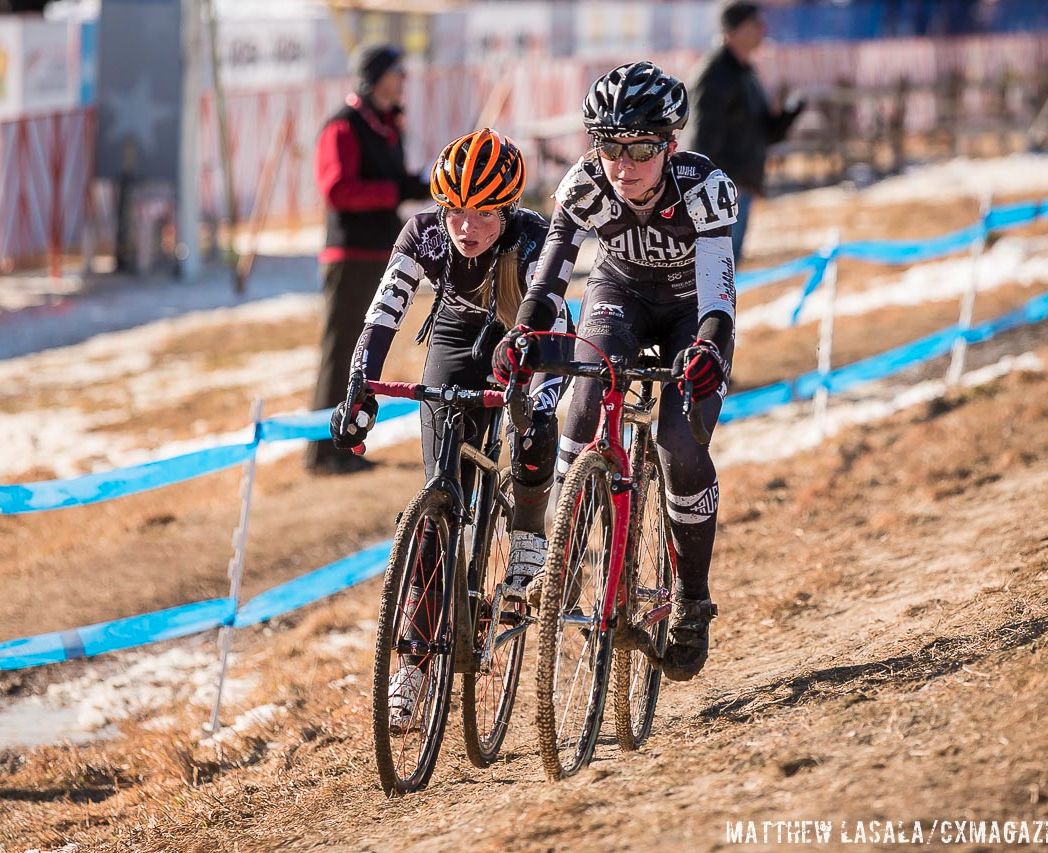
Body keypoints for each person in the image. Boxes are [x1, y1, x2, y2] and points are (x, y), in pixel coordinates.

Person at [492, 61, 738, 683]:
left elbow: (717, 296)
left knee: (679, 441)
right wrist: (525, 331)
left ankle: (691, 597)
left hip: (690, 315)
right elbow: (549, 279)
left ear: (670, 146)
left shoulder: (704, 188)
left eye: (640, 149)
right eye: (608, 146)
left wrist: (708, 347)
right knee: (581, 401)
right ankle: (565, 555)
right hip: (620, 297)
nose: (623, 165)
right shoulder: (584, 187)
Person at [329, 129, 569, 730]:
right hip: (458, 335)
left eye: (484, 214)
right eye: (456, 212)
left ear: (507, 209)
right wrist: (359, 387)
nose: (466, 228)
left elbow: (555, 330)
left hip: (527, 332)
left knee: (536, 429)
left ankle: (527, 537)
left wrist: (538, 406)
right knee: (442, 489)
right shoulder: (423, 235)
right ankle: (413, 656)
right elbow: (381, 317)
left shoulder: (535, 238)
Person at [306, 43, 432, 475]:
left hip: (378, 252)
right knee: (340, 354)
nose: (403, 81)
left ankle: (345, 446)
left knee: (361, 357)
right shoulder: (343, 126)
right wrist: (395, 192)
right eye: (397, 72)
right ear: (376, 77)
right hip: (349, 255)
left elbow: (391, 182)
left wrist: (420, 184)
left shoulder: (386, 125)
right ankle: (323, 452)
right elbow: (337, 189)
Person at [687, 1, 804, 266]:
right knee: (711, 270)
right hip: (723, 191)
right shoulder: (715, 74)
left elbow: (762, 133)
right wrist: (714, 189)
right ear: (736, 29)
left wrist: (787, 115)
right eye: (756, 24)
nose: (764, 30)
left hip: (739, 187)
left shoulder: (745, 73)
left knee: (727, 269)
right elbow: (701, 142)